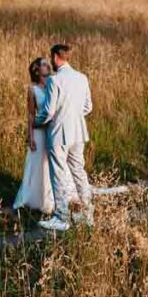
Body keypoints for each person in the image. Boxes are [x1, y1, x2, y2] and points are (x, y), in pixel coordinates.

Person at [34, 44, 94, 232]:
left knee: (58, 174)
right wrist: (73, 114)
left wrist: (37, 122)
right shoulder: (82, 78)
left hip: (59, 133)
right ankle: (87, 213)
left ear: (55, 57)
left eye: (52, 58)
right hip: (78, 132)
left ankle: (62, 217)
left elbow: (49, 111)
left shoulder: (54, 80)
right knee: (79, 171)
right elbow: (88, 107)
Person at [12, 58, 55, 215]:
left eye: (47, 63)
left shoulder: (54, 84)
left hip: (52, 131)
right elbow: (31, 114)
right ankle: (33, 198)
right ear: (36, 70)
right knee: (36, 164)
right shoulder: (32, 89)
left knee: (51, 164)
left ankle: (51, 199)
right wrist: (30, 137)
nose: (48, 66)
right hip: (38, 132)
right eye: (43, 64)